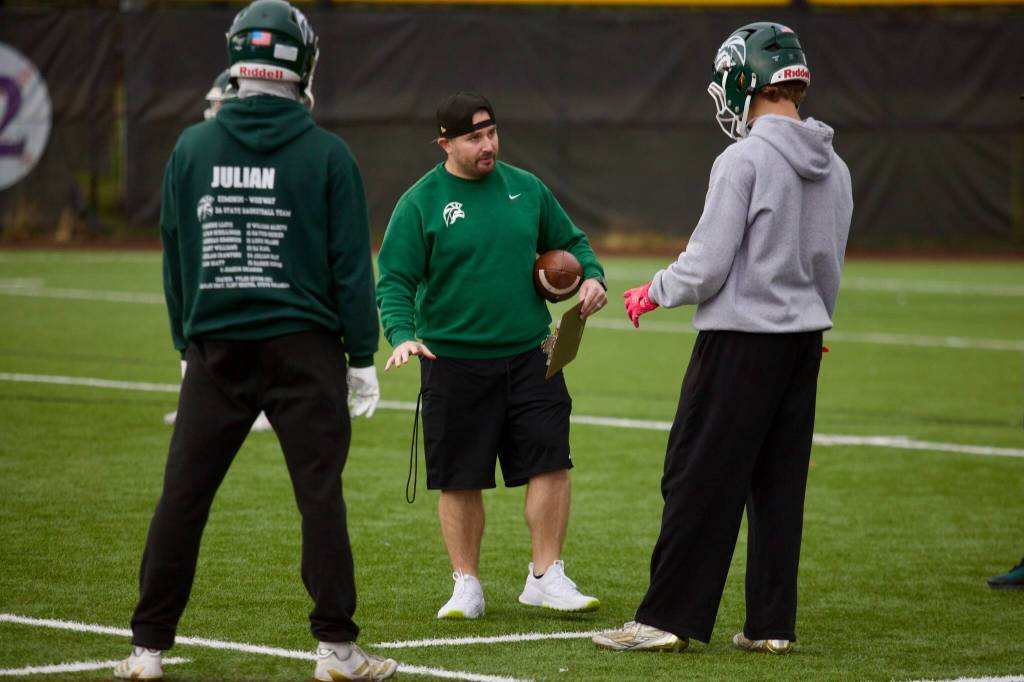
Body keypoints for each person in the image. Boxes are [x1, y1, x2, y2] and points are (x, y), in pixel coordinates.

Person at [115, 2, 396, 680]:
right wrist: (362, 357)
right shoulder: (329, 153)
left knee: (183, 497)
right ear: (302, 62)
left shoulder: (192, 146)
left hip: (217, 347)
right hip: (305, 349)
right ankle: (335, 648)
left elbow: (176, 253)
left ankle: (147, 650)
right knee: (319, 499)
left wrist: (187, 341)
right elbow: (352, 268)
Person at [593, 22, 852, 655]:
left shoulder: (742, 159)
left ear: (746, 80)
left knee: (696, 475)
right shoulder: (836, 165)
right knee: (778, 485)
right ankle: (770, 625)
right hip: (801, 342)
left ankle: (665, 619)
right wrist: (812, 324)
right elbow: (828, 266)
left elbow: (707, 264)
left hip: (739, 343)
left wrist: (652, 290)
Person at [376, 91, 606, 620]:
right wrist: (402, 333)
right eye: (474, 137)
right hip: (452, 360)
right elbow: (394, 280)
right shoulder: (420, 202)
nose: (488, 145)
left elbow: (573, 241)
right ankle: (467, 584)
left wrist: (592, 276)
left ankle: (546, 575)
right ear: (445, 143)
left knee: (552, 461)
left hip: (534, 353)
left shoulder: (526, 189)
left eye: (492, 132)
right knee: (460, 477)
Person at [163, 70, 275, 433]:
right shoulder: (196, 149)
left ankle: (262, 401)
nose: (213, 109)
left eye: (219, 102)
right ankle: (198, 399)